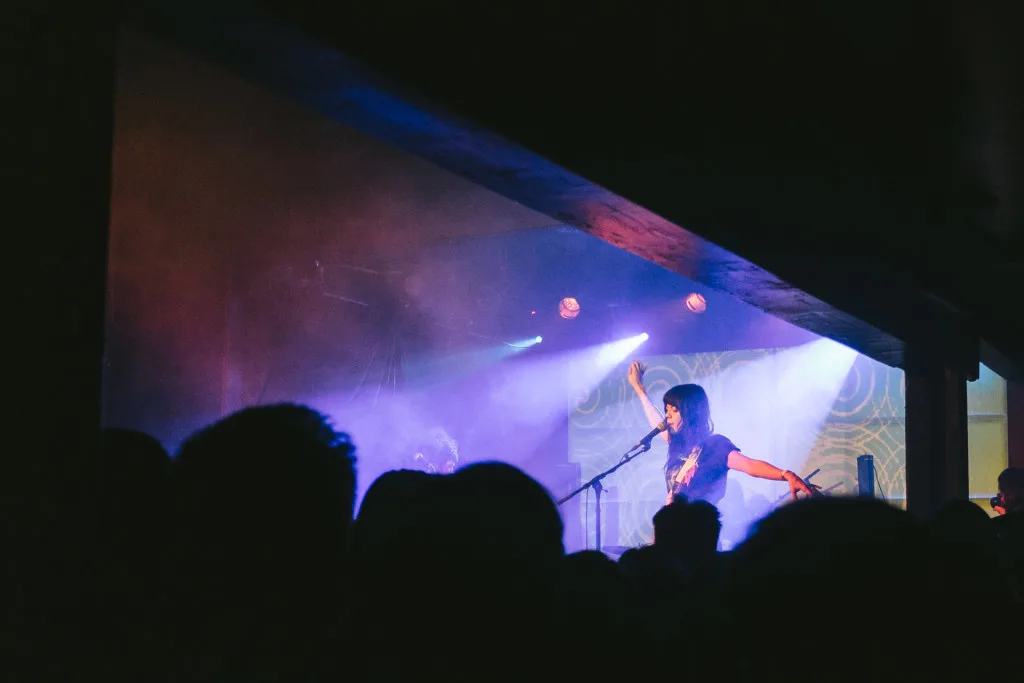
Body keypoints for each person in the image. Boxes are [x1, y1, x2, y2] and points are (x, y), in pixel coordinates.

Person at [627, 360, 816, 507]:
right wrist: (640, 390)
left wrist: (786, 475)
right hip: (671, 527)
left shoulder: (715, 446)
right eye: (666, 409)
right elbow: (655, 419)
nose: (667, 415)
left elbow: (749, 465)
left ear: (691, 412)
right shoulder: (677, 443)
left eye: (673, 410)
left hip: (698, 531)